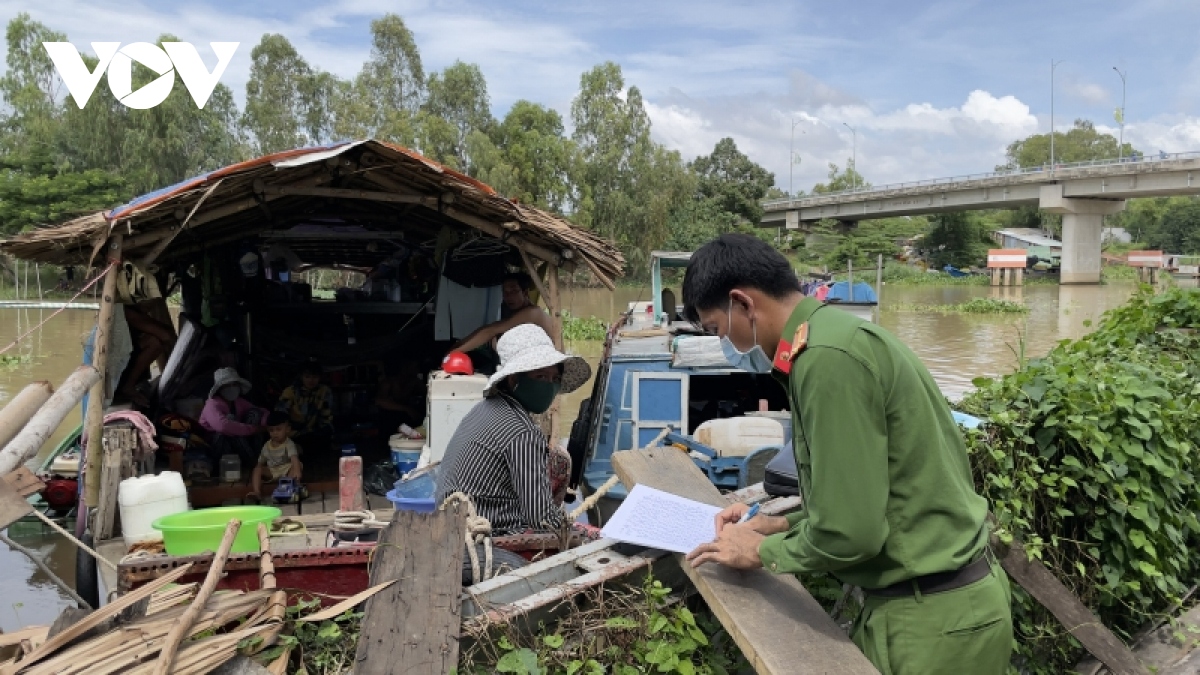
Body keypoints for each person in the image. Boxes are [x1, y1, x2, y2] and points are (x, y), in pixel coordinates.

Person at [680, 233, 1012, 675]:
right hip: (943, 606)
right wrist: (776, 522)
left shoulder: (827, 361)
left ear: (743, 303)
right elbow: (871, 498)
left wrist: (760, 552)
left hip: (932, 621)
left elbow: (852, 533)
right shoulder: (832, 339)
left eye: (716, 329)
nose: (728, 346)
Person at [435, 324, 591, 535]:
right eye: (540, 377)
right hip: (479, 533)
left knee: (558, 459)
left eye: (554, 379)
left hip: (449, 520)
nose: (549, 386)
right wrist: (575, 532)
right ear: (514, 379)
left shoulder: (485, 408)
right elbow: (541, 519)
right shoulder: (523, 433)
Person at [448, 273, 554, 374]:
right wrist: (457, 346)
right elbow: (489, 328)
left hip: (541, 370)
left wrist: (454, 352)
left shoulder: (532, 313)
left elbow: (490, 331)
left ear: (525, 293)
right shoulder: (510, 311)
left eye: (513, 291)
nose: (508, 296)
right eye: (505, 292)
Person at [200, 367, 269, 467]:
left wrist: (264, 425)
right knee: (230, 423)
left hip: (239, 445)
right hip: (216, 447)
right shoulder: (212, 404)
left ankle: (255, 457)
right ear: (219, 389)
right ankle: (252, 461)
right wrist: (253, 429)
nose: (231, 388)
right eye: (227, 385)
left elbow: (261, 411)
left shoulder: (238, 402)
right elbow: (222, 426)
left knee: (254, 413)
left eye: (234, 384)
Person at [275, 361, 335, 454]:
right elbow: (280, 415)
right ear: (301, 377)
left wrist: (321, 429)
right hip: (293, 432)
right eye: (307, 377)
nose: (311, 380)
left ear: (319, 377)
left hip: (314, 432)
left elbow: (326, 415)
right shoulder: (290, 391)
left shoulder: (324, 391)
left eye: (314, 377)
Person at [251, 411, 303, 500]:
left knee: (297, 465)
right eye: (271, 430)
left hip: (286, 470)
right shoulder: (267, 446)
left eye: (278, 429)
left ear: (287, 429)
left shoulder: (289, 444)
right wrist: (259, 472)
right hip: (272, 471)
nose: (275, 433)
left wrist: (297, 472)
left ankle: (287, 488)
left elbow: (294, 458)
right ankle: (257, 492)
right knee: (257, 469)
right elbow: (260, 462)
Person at [375, 360, 425, 432]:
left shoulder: (414, 382)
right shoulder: (388, 383)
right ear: (405, 368)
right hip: (389, 420)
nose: (418, 370)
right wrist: (407, 409)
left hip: (406, 422)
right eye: (415, 367)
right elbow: (379, 401)